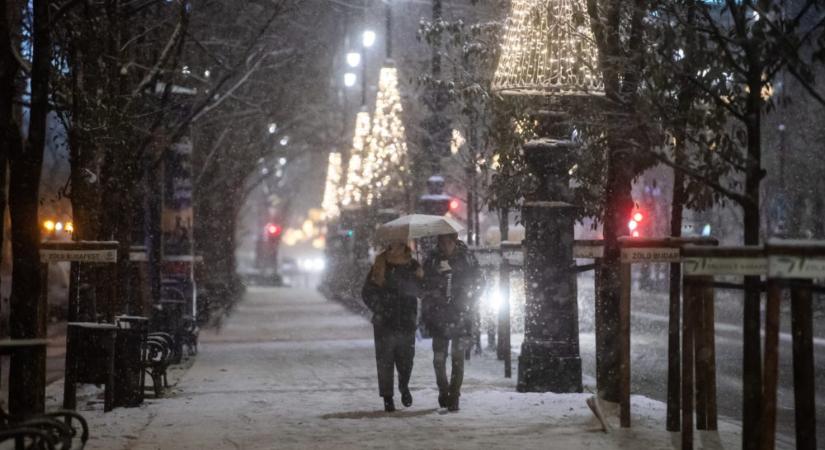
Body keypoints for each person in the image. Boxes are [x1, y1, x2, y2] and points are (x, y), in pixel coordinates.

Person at [421, 233, 482, 412]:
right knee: (439, 359)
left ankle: (454, 395)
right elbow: (424, 285)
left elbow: (480, 281)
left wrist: (468, 300)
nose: (446, 246)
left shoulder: (467, 258)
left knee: (458, 359)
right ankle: (443, 390)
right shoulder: (432, 260)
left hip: (461, 316)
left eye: (449, 242)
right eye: (442, 242)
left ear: (455, 241)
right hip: (439, 317)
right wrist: (437, 281)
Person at [361, 242, 423, 412]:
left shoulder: (413, 265)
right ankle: (387, 397)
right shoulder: (380, 265)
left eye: (400, 243)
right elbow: (366, 292)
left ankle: (404, 387)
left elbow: (422, 291)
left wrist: (421, 278)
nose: (396, 247)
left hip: (406, 321)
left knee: (406, 360)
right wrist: (379, 307)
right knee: (385, 362)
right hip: (384, 323)